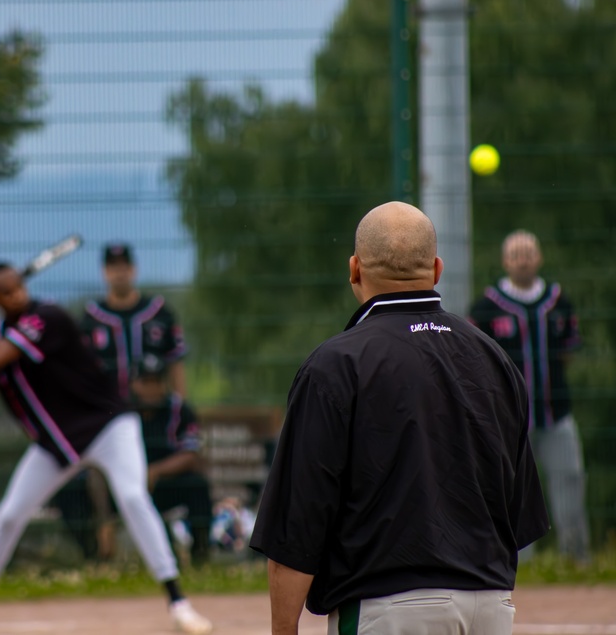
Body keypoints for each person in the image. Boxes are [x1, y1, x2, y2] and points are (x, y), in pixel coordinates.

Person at [249, 202, 549, 635]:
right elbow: (517, 512)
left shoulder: (335, 364)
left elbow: (297, 526)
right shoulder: (494, 358)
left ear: (354, 270)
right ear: (437, 269)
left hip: (387, 608)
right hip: (491, 606)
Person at [0, 262, 212, 635]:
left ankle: (179, 604)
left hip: (108, 425)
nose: (18, 295)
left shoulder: (47, 318)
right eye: (7, 292)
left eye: (19, 287)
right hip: (57, 443)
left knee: (131, 497)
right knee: (11, 515)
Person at [468, 229, 590, 563]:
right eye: (516, 255)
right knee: (514, 494)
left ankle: (575, 561)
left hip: (557, 413)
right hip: (510, 421)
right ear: (505, 261)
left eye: (528, 253)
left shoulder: (557, 301)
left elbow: (568, 351)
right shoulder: (486, 308)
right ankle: (521, 565)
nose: (523, 261)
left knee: (569, 482)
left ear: (539, 258)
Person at [54, 353, 213, 565]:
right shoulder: (118, 411)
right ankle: (94, 555)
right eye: (145, 382)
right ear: (133, 384)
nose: (151, 388)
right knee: (69, 491)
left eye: (156, 381)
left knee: (197, 484)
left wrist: (155, 471)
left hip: (161, 484)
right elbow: (95, 466)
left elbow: (191, 455)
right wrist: (104, 520)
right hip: (118, 486)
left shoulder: (179, 410)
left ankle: (200, 556)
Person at [82, 242, 188, 401]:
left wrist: (180, 408)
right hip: (109, 412)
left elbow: (176, 364)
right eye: (113, 267)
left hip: (153, 412)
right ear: (104, 272)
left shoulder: (159, 312)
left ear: (134, 269)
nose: (120, 273)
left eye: (124, 266)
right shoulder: (91, 317)